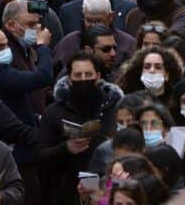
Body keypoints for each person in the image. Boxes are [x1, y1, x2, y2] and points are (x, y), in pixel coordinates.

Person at [36, 52, 124, 204]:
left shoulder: (113, 107)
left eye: (88, 74)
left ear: (98, 76)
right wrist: (66, 148)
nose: (83, 79)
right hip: (66, 190)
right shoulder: (54, 111)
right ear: (70, 79)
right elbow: (40, 154)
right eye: (78, 75)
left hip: (109, 188)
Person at [115, 45, 183, 108]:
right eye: (147, 67)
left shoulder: (176, 104)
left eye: (158, 67)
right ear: (140, 73)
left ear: (167, 75)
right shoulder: (130, 103)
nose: (152, 70)